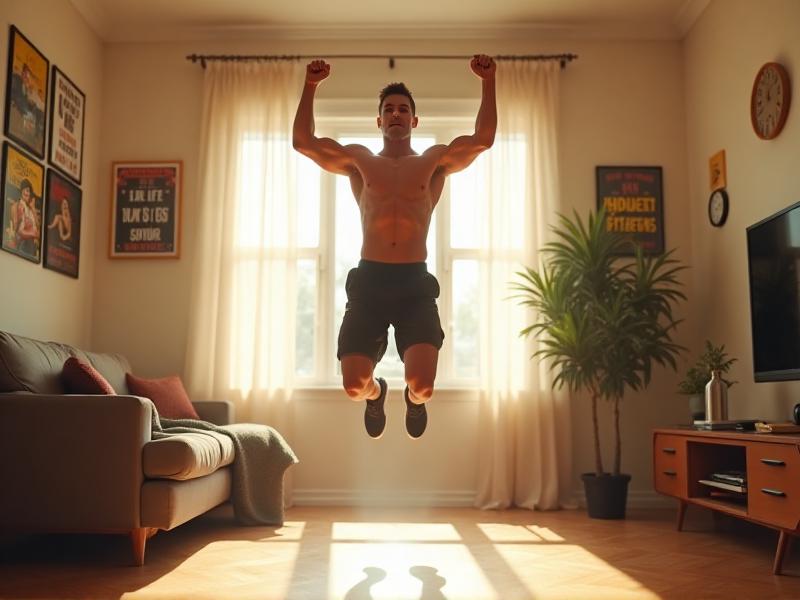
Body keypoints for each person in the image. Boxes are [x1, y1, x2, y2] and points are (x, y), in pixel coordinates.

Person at [293, 55, 496, 439]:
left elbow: (482, 139)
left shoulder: (435, 161)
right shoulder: (360, 161)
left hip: (413, 285)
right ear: (380, 121)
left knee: (423, 386)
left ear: (414, 121)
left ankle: (412, 401)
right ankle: (376, 394)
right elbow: (303, 142)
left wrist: (489, 80)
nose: (396, 114)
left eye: (404, 109)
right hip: (369, 281)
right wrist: (310, 85)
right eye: (389, 109)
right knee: (354, 385)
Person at [15, 179, 40, 258]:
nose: (28, 193)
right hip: (25, 245)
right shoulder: (21, 207)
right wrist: (33, 234)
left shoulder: (29, 209)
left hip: (32, 246)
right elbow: (20, 231)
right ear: (22, 191)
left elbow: (38, 225)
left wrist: (33, 208)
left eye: (29, 192)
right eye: (26, 190)